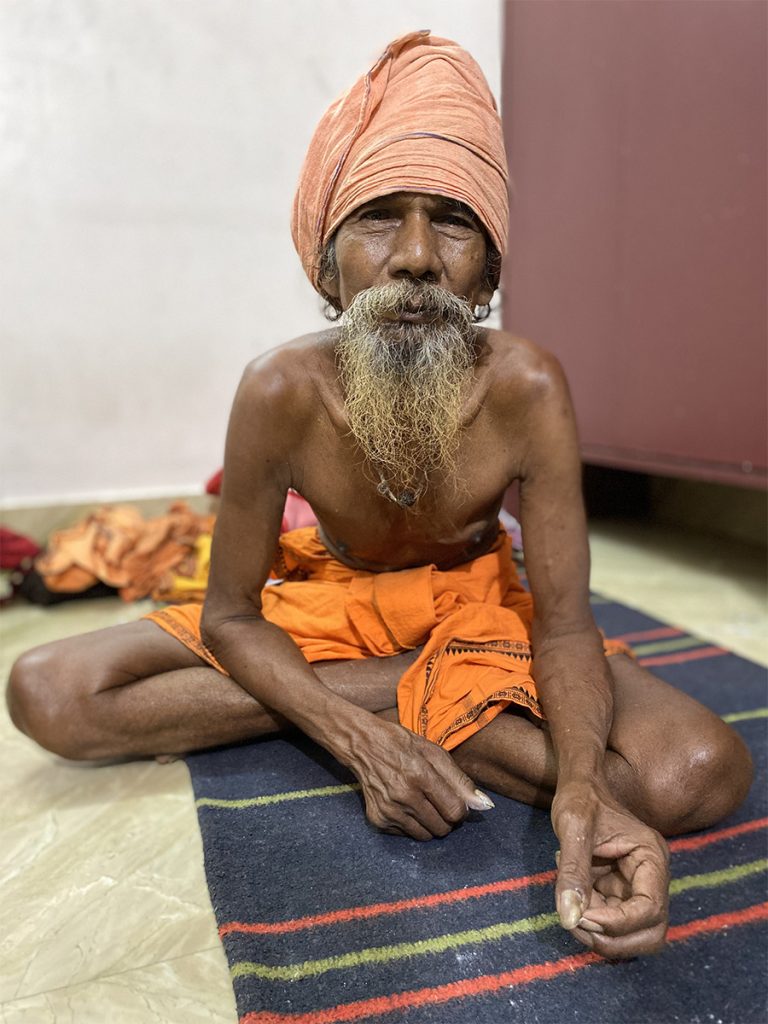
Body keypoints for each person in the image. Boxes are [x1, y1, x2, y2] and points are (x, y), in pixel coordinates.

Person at [7, 31, 752, 961]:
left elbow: (563, 625)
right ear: (326, 266)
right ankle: (415, 693)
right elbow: (237, 617)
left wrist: (582, 797)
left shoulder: (527, 386)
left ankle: (428, 690)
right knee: (50, 691)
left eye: (451, 219)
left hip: (479, 614)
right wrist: (357, 736)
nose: (413, 256)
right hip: (325, 612)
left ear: (489, 270)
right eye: (375, 219)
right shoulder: (279, 390)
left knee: (698, 771)